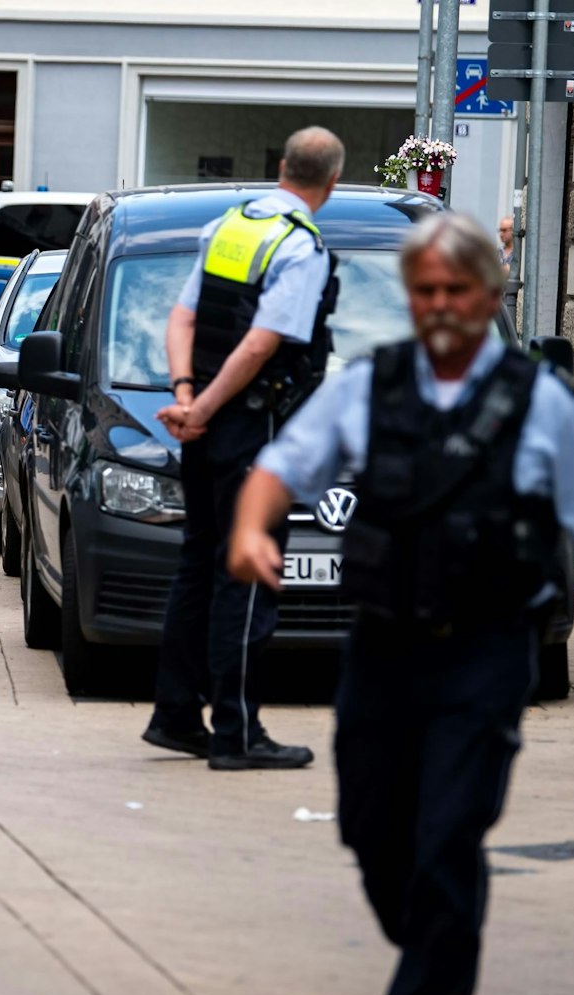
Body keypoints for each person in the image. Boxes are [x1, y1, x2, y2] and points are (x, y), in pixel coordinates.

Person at [229, 212, 574, 995]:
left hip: (486, 649)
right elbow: (283, 465)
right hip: (385, 644)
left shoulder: (536, 399)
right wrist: (251, 528)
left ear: (489, 297)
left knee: (447, 835)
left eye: (457, 291)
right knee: (372, 828)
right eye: (425, 291)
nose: (439, 306)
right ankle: (434, 940)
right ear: (412, 297)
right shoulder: (371, 385)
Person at [142, 126, 342, 770]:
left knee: (199, 566)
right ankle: (237, 734)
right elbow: (260, 345)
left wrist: (185, 395)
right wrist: (204, 408)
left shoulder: (232, 226)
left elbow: (183, 317)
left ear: (282, 167)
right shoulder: (300, 246)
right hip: (251, 432)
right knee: (247, 580)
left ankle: (175, 715)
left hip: (201, 424)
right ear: (330, 184)